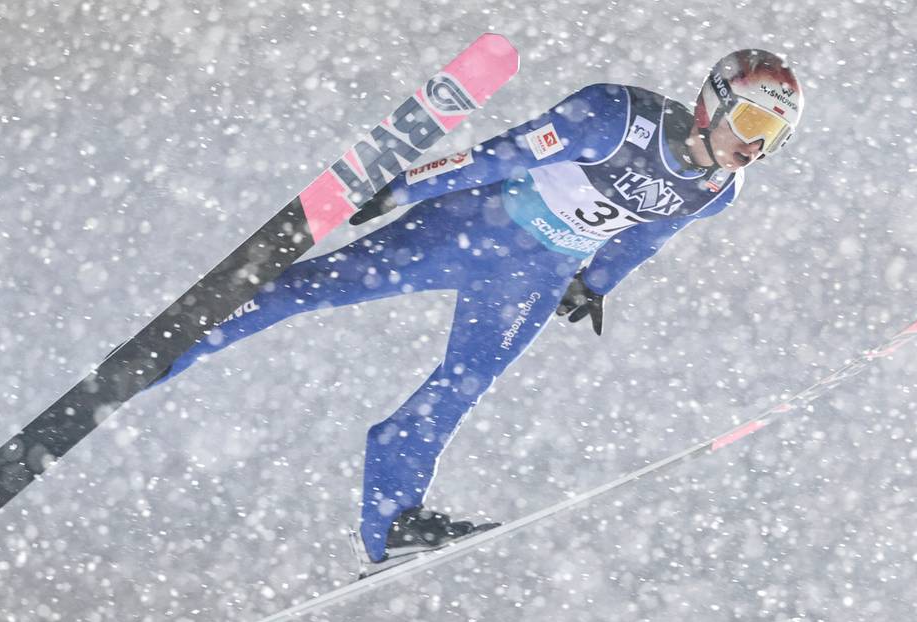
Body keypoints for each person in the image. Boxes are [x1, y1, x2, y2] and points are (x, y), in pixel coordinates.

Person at [148, 48, 805, 571]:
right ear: (712, 104)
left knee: (458, 389)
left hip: (532, 276)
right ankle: (176, 347)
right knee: (318, 287)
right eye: (751, 124)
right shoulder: (614, 118)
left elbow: (648, 232)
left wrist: (595, 282)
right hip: (473, 226)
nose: (756, 147)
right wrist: (404, 186)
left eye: (774, 137)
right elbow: (500, 154)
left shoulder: (718, 191)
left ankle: (393, 523)